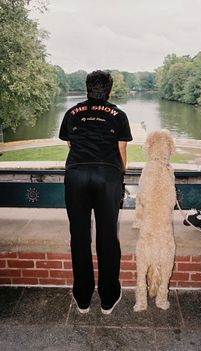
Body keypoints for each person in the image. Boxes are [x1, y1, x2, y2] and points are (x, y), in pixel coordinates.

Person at [59, 70, 133, 314]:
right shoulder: (119, 115)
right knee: (107, 236)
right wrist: (117, 172)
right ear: (109, 90)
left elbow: (71, 144)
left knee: (79, 236)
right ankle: (108, 299)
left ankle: (82, 298)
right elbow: (122, 153)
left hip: (76, 176)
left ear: (87, 89)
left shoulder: (71, 113)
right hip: (106, 177)